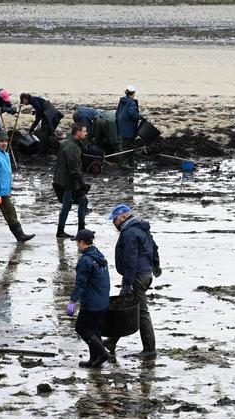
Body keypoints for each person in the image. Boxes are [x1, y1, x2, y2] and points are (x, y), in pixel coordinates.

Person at [103, 203, 158, 358]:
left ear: (123, 217)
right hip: (145, 274)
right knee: (124, 308)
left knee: (140, 313)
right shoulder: (142, 228)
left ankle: (150, 349)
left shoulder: (129, 233)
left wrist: (127, 284)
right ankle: (112, 342)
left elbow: (131, 259)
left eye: (115, 220)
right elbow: (154, 247)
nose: (114, 224)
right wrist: (156, 264)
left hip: (136, 277)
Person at [0, 131, 34, 246]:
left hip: (3, 192)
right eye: (1, 141)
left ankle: (20, 236)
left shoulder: (4, 154)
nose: (4, 143)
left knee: (10, 213)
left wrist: (7, 191)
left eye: (6, 141)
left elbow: (5, 175)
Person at [67, 229, 110, 368]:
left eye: (77, 242)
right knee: (95, 330)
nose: (77, 246)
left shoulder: (85, 261)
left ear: (81, 242)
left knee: (81, 327)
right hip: (103, 299)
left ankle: (102, 353)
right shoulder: (99, 255)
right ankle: (94, 360)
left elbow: (81, 284)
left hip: (91, 302)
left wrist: (73, 301)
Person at [53, 123, 90, 238]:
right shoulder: (72, 147)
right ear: (78, 133)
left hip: (66, 181)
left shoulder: (67, 143)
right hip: (68, 183)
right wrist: (82, 183)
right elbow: (73, 169)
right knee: (66, 206)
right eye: (84, 131)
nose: (86, 133)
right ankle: (60, 231)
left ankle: (81, 230)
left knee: (83, 201)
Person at [116, 85, 142, 167]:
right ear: (133, 93)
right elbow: (133, 114)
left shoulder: (122, 101)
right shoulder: (131, 102)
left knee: (126, 145)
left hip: (121, 126)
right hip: (129, 127)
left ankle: (130, 162)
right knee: (128, 146)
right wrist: (140, 117)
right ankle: (124, 164)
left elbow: (117, 113)